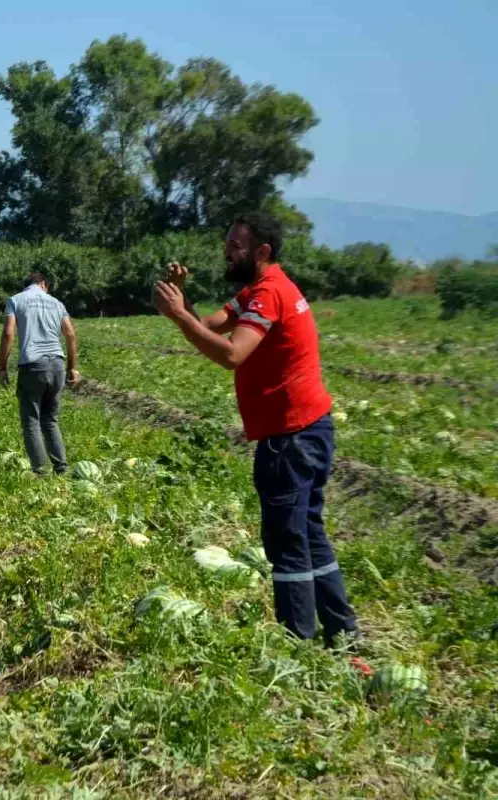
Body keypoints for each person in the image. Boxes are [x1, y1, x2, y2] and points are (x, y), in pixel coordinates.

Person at [151, 211, 360, 649]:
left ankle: (298, 642)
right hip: (308, 430)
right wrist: (181, 306)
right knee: (309, 532)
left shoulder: (268, 295)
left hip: (292, 437)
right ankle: (342, 633)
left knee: (286, 539)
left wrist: (179, 317)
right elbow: (208, 326)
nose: (226, 252)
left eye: (235, 246)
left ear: (261, 252)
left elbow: (232, 354)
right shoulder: (258, 292)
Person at [0, 272, 80, 475]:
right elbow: (70, 334)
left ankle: (41, 472)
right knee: (51, 419)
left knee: (31, 421)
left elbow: (9, 333)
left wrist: (2, 366)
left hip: (33, 365)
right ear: (44, 284)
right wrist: (72, 367)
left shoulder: (16, 300)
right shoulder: (57, 303)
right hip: (57, 364)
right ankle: (61, 467)